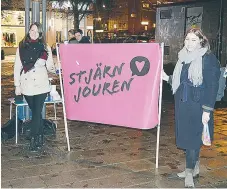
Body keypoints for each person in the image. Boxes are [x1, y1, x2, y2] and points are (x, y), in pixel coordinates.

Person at [162, 28, 220, 187]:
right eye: (187, 39)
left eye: (193, 40)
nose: (189, 43)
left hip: (199, 105)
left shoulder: (208, 59)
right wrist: (166, 77)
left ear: (201, 41)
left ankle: (188, 173)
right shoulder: (183, 57)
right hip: (183, 104)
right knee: (189, 138)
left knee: (192, 140)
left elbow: (212, 86)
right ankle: (195, 168)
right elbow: (181, 80)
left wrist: (207, 110)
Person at [14, 22, 55, 152]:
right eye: (32, 30)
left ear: (40, 33)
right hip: (27, 85)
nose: (34, 33)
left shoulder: (45, 47)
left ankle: (34, 139)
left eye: (37, 31)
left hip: (41, 85)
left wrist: (54, 67)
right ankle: (40, 135)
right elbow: (17, 67)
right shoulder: (21, 47)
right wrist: (17, 85)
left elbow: (49, 66)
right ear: (29, 31)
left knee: (36, 112)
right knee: (35, 112)